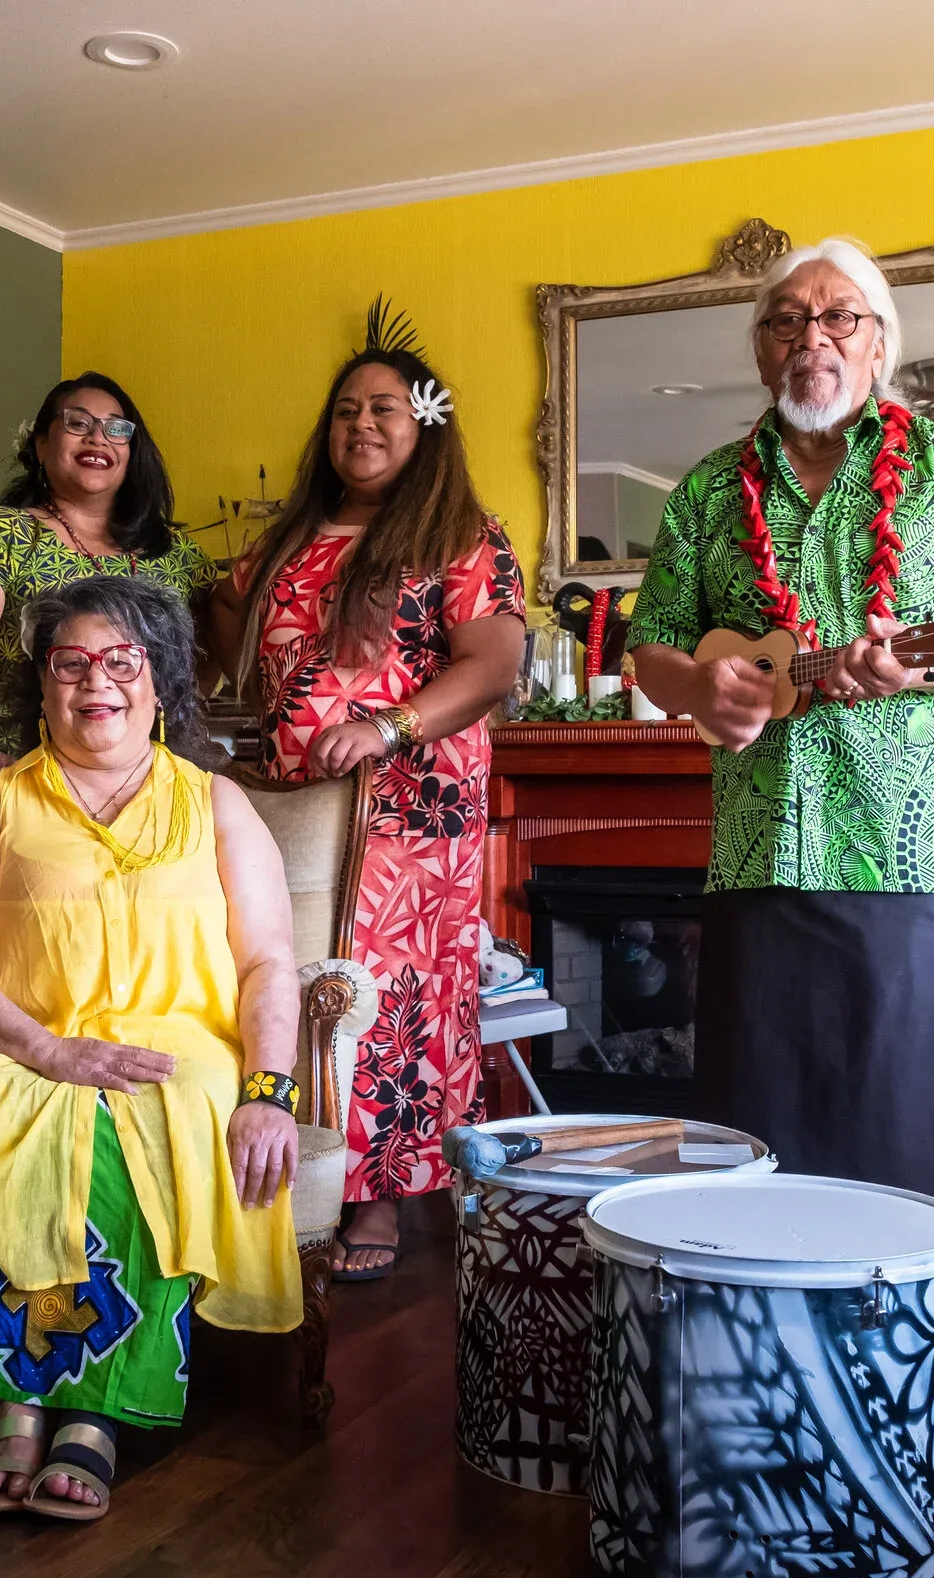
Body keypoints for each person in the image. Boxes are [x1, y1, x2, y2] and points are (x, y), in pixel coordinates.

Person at [0, 575, 303, 1524]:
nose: (98, 681)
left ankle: (94, 1412)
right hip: (13, 1038)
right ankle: (15, 1403)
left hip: (180, 1047)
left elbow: (267, 960)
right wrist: (46, 1049)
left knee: (150, 1110)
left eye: (123, 660)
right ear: (41, 686)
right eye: (71, 663)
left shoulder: (217, 802)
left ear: (160, 679)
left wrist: (267, 1088)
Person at [627, 239, 934, 1249]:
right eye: (787, 319)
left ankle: (911, 1301)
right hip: (758, 847)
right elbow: (653, 648)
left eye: (838, 316)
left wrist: (921, 667)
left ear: (878, 344)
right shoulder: (706, 491)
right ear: (762, 350)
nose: (811, 336)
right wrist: (698, 684)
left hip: (903, 850)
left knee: (900, 1110)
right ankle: (754, 1296)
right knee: (757, 1122)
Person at [210, 304, 524, 1280]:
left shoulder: (459, 534)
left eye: (385, 408)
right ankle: (293, 1169)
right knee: (292, 975)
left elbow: (494, 660)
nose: (362, 423)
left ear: (424, 424)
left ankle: (376, 1193)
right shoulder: (290, 538)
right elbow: (225, 624)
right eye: (347, 409)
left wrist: (387, 726)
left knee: (385, 994)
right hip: (295, 805)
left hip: (410, 809)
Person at [0, 375, 212, 776]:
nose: (98, 437)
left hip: (159, 780)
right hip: (35, 776)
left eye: (116, 429)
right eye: (78, 422)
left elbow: (203, 663)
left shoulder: (181, 556)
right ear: (41, 445)